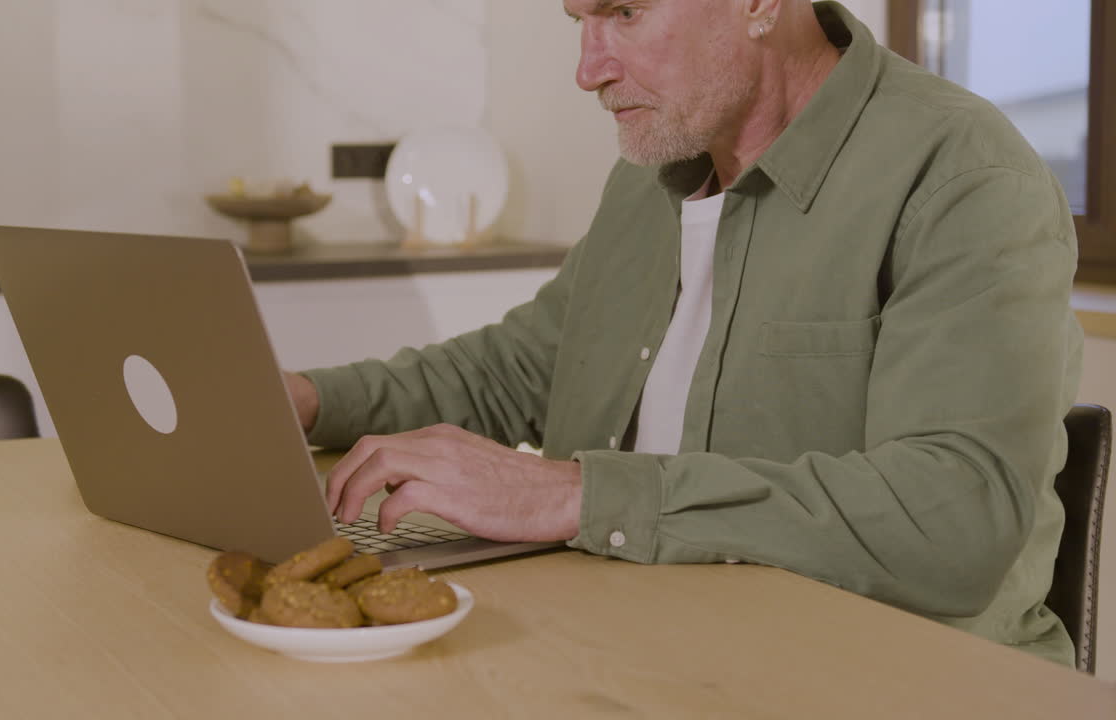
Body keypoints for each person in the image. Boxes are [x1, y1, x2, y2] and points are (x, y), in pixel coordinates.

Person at [284, 0, 1083, 666]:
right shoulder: (647, 179)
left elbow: (951, 518)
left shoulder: (965, 176)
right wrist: (309, 400)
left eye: (624, 12)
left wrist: (576, 495)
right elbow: (522, 367)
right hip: (647, 650)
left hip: (896, 680)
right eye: (580, 20)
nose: (588, 69)